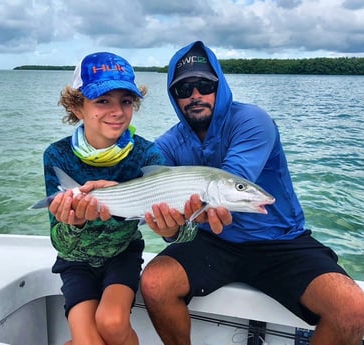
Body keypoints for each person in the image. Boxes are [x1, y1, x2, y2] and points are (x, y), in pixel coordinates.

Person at [140, 41, 364, 345]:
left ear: (220, 85)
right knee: (154, 283)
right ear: (174, 97)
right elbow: (154, 196)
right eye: (183, 90)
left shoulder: (252, 121)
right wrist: (169, 229)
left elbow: (234, 181)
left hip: (280, 241)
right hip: (214, 242)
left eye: (204, 85)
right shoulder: (167, 145)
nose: (195, 96)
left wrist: (194, 213)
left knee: (353, 309)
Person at [43, 51, 165, 345]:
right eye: (102, 101)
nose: (117, 111)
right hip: (75, 261)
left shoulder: (147, 156)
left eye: (126, 101)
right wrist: (76, 222)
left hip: (123, 254)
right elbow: (60, 242)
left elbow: (170, 225)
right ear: (77, 107)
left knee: (111, 322)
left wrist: (171, 227)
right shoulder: (57, 156)